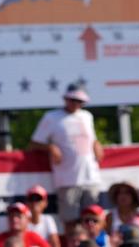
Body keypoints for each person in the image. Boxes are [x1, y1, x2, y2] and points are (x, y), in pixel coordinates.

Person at [29, 84, 103, 237]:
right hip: (67, 178)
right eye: (73, 99)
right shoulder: (52, 117)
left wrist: (97, 144)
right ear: (66, 98)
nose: (76, 104)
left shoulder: (87, 116)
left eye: (80, 101)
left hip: (91, 176)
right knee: (70, 222)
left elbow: (92, 139)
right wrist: (50, 147)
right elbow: (34, 143)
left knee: (93, 219)